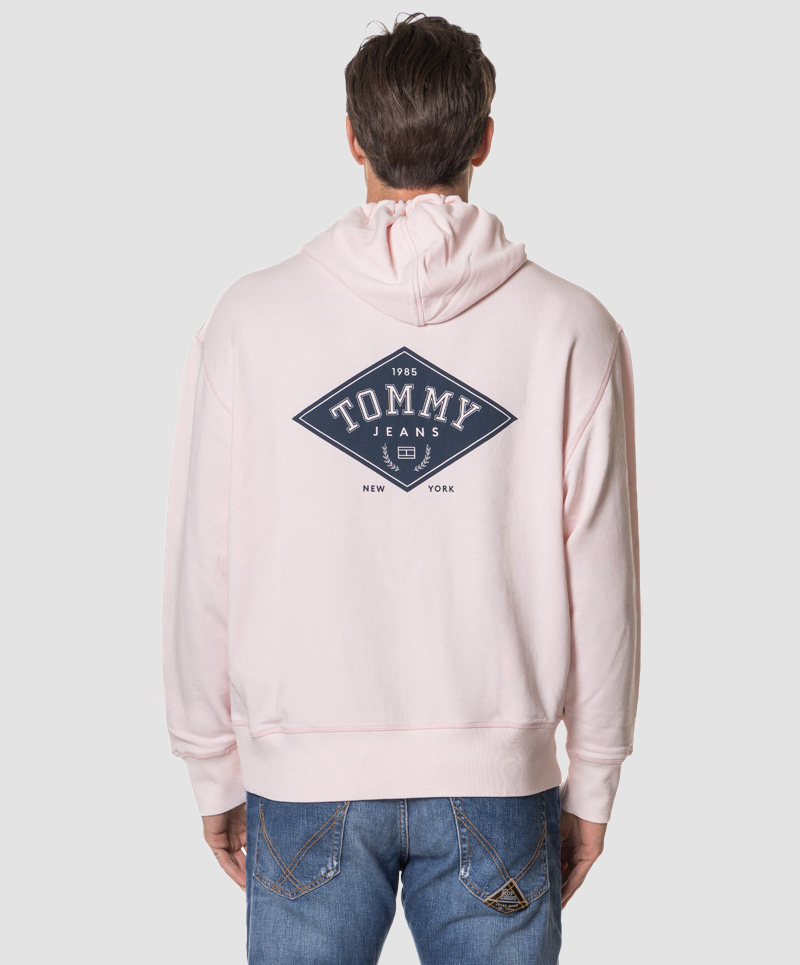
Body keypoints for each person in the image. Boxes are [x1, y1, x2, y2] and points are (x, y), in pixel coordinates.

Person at [161, 12, 641, 964]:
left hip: (303, 779)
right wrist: (593, 777)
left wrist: (210, 761)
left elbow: (202, 558)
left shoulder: (251, 320)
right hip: (500, 783)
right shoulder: (572, 327)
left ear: (353, 138)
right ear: (484, 140)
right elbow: (604, 576)